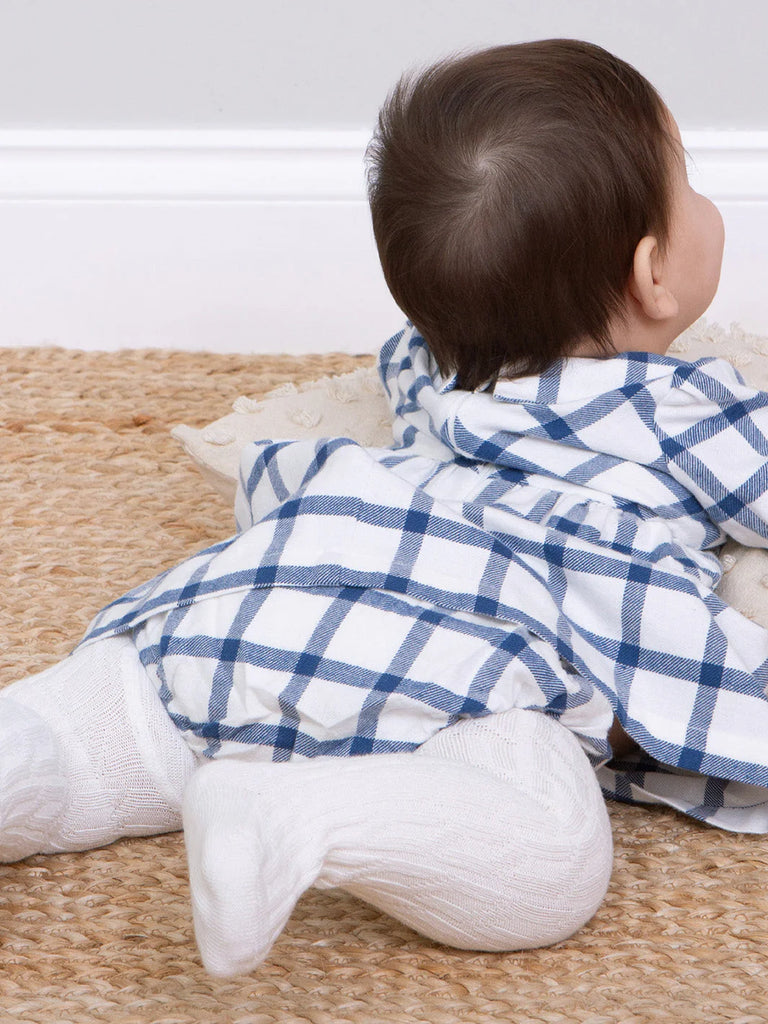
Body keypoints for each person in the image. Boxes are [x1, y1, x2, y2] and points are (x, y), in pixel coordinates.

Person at [2, 38, 763, 978]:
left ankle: (21, 759)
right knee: (547, 857)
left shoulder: (426, 362)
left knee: (78, 738)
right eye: (688, 180)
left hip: (267, 597)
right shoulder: (690, 409)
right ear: (654, 273)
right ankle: (295, 818)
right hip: (476, 673)